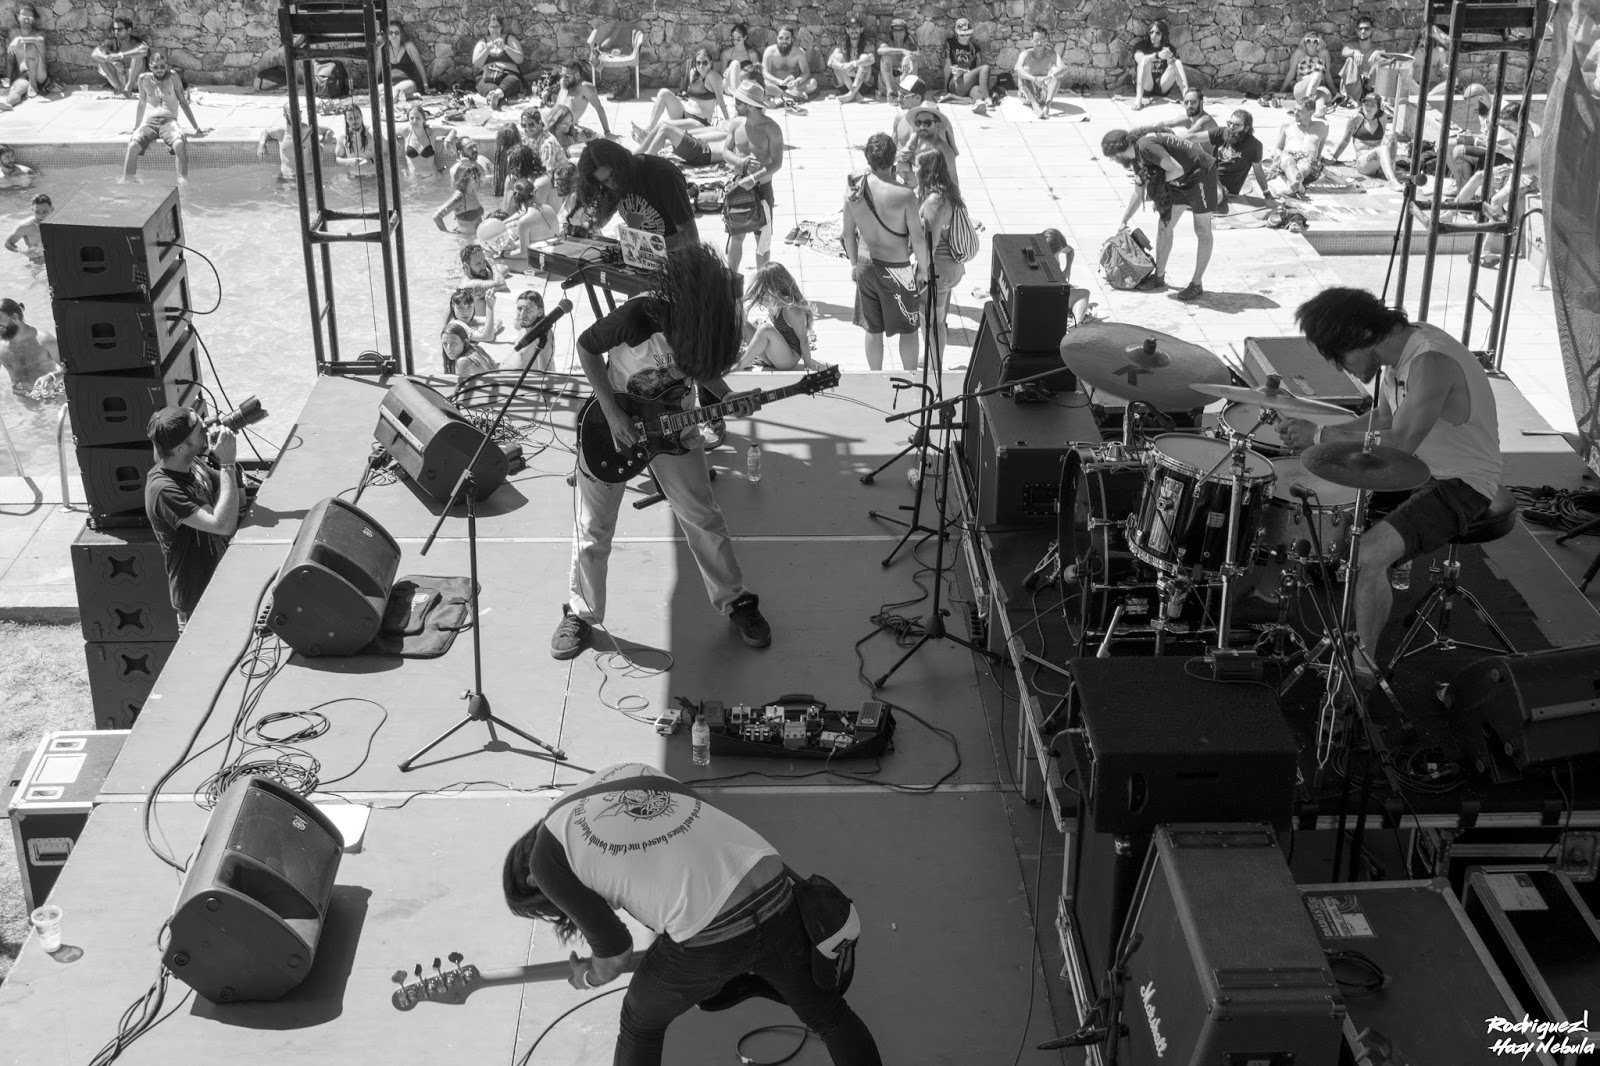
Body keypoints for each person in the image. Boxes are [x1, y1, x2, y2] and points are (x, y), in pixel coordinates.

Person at [502, 761, 882, 1064]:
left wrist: (588, 976)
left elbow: (615, 954)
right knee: (830, 1016)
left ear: (534, 883)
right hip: (773, 885)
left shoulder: (545, 863)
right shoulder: (617, 774)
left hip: (712, 932)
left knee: (640, 1023)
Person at [550, 244, 772, 658]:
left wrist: (727, 396)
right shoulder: (638, 316)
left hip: (675, 425)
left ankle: (735, 600)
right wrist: (612, 412)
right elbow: (586, 346)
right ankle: (581, 613)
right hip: (614, 425)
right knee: (593, 525)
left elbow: (704, 372)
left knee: (703, 516)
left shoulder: (706, 327)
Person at [1277, 288, 1502, 695]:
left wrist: (1321, 435)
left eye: (1339, 355)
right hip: (1422, 469)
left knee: (1366, 556)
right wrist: (1321, 435)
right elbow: (1382, 417)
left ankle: (1363, 670)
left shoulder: (1431, 361)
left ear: (1363, 335)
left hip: (1464, 483)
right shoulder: (1397, 353)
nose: (1340, 366)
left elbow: (1401, 442)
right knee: (1315, 494)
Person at [143, 405, 240, 628]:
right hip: (198, 602)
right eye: (199, 430)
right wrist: (227, 462)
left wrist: (226, 459)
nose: (206, 429)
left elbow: (234, 496)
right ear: (180, 448)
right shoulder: (163, 490)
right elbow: (223, 524)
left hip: (221, 587)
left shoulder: (191, 463)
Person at [841, 132, 927, 372]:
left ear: (868, 158)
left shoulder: (854, 188)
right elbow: (917, 238)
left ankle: (875, 379)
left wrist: (853, 264)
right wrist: (924, 270)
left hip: (865, 264)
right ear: (893, 159)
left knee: (873, 329)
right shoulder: (905, 195)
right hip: (897, 269)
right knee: (909, 328)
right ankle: (910, 378)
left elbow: (847, 233)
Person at [1105, 126, 1218, 301]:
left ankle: (1197, 283)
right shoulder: (1136, 158)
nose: (1113, 160)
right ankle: (1158, 277)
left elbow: (1177, 169)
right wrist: (1124, 221)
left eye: (1112, 157)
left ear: (1118, 153)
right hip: (1181, 180)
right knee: (1164, 226)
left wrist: (1154, 183)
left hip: (1201, 174)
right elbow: (1138, 193)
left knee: (1202, 230)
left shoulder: (1146, 147)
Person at [576, 138, 700, 251]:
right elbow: (602, 216)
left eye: (613, 176)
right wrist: (586, 226)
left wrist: (642, 246)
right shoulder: (611, 181)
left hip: (679, 259)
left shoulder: (664, 175)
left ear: (621, 163)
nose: (612, 183)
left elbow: (690, 237)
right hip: (641, 256)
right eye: (605, 181)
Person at [721, 79, 784, 274]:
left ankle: (762, 284)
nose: (734, 104)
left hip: (762, 190)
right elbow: (725, 152)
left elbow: (777, 163)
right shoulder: (736, 125)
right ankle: (732, 280)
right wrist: (742, 163)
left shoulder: (772, 129)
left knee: (762, 239)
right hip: (739, 187)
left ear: (750, 105)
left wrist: (754, 178)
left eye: (738, 101)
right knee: (736, 237)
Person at [913, 147, 965, 363]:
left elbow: (931, 244)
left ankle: (935, 362)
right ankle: (934, 359)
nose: (914, 170)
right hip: (950, 267)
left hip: (937, 270)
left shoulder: (935, 201)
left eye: (917, 166)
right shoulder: (948, 193)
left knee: (932, 320)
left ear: (927, 170)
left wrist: (921, 273)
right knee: (937, 319)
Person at [122, 51, 206, 184]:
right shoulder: (143, 79)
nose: (160, 70)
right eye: (156, 67)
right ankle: (128, 181)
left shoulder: (172, 76)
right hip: (150, 123)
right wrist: (136, 127)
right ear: (150, 66)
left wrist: (196, 127)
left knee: (179, 144)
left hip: (169, 122)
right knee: (133, 145)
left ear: (166, 65)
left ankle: (182, 181)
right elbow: (142, 103)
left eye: (162, 66)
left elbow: (183, 101)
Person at [634, 47, 729, 155]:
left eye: (704, 63)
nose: (701, 66)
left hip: (698, 121)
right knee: (664, 93)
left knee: (663, 125)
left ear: (711, 62)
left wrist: (728, 122)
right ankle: (649, 130)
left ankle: (644, 146)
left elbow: (721, 102)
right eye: (698, 63)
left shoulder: (713, 77)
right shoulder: (695, 74)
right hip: (684, 113)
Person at [741, 263, 818, 370]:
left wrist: (808, 367)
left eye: (764, 287)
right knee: (743, 324)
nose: (762, 291)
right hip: (774, 354)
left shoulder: (792, 309)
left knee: (765, 328)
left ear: (775, 286)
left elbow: (804, 341)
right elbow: (748, 297)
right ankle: (735, 356)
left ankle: (741, 364)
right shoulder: (776, 302)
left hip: (789, 359)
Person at [1193, 108, 1272, 212]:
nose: (1231, 128)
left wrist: (1266, 193)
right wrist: (1172, 139)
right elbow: (1194, 136)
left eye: (1236, 125)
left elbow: (1258, 171)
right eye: (1229, 123)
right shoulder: (1222, 132)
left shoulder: (1254, 146)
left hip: (1223, 189)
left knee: (1215, 198)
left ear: (1246, 128)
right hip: (1208, 175)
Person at [1327, 92, 1401, 187]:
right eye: (1366, 104)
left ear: (1378, 108)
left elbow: (1384, 140)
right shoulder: (1356, 120)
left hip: (1378, 161)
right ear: (1362, 105)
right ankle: (1392, 181)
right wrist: (1334, 158)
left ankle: (1390, 172)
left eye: (1373, 105)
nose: (1369, 108)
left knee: (1391, 135)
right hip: (1363, 163)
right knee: (1382, 149)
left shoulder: (1382, 118)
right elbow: (1345, 140)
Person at [1266, 97, 1329, 198]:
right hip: (1288, 155)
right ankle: (1299, 187)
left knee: (1303, 167)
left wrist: (1318, 161)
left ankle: (1293, 186)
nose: (1295, 112)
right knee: (1287, 161)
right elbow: (1278, 148)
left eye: (1299, 111)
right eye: (1295, 109)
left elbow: (1319, 151)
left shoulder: (1322, 127)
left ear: (1310, 112)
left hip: (1308, 159)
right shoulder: (1287, 125)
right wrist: (1278, 155)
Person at [257, 103, 335, 182]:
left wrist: (321, 144)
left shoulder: (307, 129)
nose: (297, 116)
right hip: (286, 177)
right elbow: (266, 132)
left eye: (299, 113)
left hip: (307, 177)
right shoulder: (281, 132)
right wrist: (262, 145)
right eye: (293, 114)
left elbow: (329, 131)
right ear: (285, 116)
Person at [0, 297, 59, 395]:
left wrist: (52, 377)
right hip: (20, 400)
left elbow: (72, 368)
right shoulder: (1, 346)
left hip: (53, 397)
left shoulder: (44, 340)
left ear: (15, 317)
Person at [895, 99, 958, 189]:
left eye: (927, 123)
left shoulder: (943, 151)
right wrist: (898, 156)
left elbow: (953, 183)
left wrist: (910, 168)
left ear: (937, 125)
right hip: (902, 185)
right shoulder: (914, 138)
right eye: (918, 123)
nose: (921, 127)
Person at [1039, 228, 1094, 324]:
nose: (1059, 253)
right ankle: (1077, 324)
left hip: (1051, 289)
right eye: (1058, 252)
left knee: (1072, 290)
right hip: (1045, 299)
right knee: (1084, 294)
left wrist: (1067, 269)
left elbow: (1070, 251)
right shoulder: (1044, 263)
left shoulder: (1049, 247)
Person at [3, 4, 53, 111]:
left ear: (33, 19)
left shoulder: (38, 34)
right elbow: (10, 59)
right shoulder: (13, 33)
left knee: (30, 46)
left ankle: (33, 86)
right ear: (18, 17)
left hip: (40, 75)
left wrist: (20, 40)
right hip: (25, 75)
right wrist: (8, 80)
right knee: (15, 90)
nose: (27, 20)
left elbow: (40, 41)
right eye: (24, 17)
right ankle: (6, 104)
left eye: (30, 18)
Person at [939, 16, 990, 116]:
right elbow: (947, 66)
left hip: (968, 82)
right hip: (956, 81)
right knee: (985, 68)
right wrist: (945, 88)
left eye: (968, 34)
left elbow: (977, 71)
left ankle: (978, 103)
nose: (965, 37)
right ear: (956, 33)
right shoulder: (951, 44)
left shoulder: (975, 48)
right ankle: (987, 98)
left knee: (976, 90)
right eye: (962, 35)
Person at [1131, 20, 1186, 109]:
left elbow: (1173, 67)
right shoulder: (1141, 46)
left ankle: (1187, 98)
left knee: (1177, 63)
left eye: (1157, 33)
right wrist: (1157, 55)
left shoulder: (1168, 48)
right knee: (1145, 60)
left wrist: (1170, 58)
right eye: (1151, 32)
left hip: (1162, 85)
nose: (1154, 35)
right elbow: (1140, 60)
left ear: (1162, 35)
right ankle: (1138, 100)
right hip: (1146, 85)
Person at [474, 13, 525, 105]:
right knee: (484, 84)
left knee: (513, 81)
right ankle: (493, 95)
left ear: (501, 27)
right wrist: (487, 50)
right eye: (492, 27)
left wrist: (505, 47)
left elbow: (520, 59)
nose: (494, 29)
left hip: (508, 74)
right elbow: (476, 64)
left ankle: (497, 94)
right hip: (487, 76)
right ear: (488, 28)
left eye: (497, 26)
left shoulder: (509, 39)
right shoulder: (483, 42)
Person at [1013, 27, 1064, 120]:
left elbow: (1064, 69)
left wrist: (1047, 78)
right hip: (1027, 96)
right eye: (1036, 40)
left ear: (1046, 40)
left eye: (1042, 40)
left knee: (1055, 73)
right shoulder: (1025, 54)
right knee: (1023, 72)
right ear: (1031, 40)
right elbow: (1017, 69)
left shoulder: (1052, 54)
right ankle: (1035, 106)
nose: (1039, 43)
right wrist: (1034, 79)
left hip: (1045, 95)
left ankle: (1047, 107)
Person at [91, 14, 148, 97]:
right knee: (101, 58)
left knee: (138, 55)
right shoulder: (112, 43)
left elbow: (144, 51)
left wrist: (120, 55)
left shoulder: (136, 43)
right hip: (119, 79)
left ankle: (129, 87)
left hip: (136, 81)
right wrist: (110, 59)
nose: (116, 32)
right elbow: (95, 53)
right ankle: (119, 87)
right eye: (114, 29)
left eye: (120, 29)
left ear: (129, 30)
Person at [1281, 31, 1335, 117]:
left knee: (1322, 95)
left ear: (1319, 43)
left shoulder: (1324, 54)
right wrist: (1281, 90)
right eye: (1308, 40)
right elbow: (1291, 72)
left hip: (1319, 87)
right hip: (1302, 87)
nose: (1311, 43)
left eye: (1315, 41)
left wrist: (1335, 92)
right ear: (1304, 42)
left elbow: (1327, 75)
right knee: (1317, 74)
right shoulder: (1299, 53)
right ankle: (1307, 104)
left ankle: (1318, 110)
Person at [761, 26, 818, 106]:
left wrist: (796, 82)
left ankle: (784, 96)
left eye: (787, 38)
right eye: (781, 38)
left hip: (793, 87)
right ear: (777, 38)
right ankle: (791, 96)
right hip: (775, 86)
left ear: (792, 39)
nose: (784, 41)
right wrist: (780, 82)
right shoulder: (769, 51)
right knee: (765, 84)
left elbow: (806, 72)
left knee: (813, 83)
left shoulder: (799, 52)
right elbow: (765, 73)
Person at [557, 58, 613, 138]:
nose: (563, 78)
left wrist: (607, 132)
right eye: (562, 75)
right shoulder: (563, 83)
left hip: (569, 131)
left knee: (599, 141)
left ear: (577, 75)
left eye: (567, 76)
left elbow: (599, 109)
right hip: (556, 127)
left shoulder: (585, 88)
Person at [587, 15, 638, 98]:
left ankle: (624, 90)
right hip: (606, 51)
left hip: (624, 51)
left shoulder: (629, 31)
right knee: (600, 51)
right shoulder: (602, 33)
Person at [829, 14, 876, 103]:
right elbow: (830, 62)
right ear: (847, 30)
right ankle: (855, 93)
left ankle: (851, 95)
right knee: (838, 57)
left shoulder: (868, 45)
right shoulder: (842, 45)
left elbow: (872, 59)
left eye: (856, 27)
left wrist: (853, 64)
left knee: (864, 58)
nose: (854, 30)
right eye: (851, 28)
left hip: (862, 85)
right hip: (845, 84)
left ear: (861, 29)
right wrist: (843, 66)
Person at [1337, 15, 1382, 106]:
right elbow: (1344, 52)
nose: (1363, 31)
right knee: (1350, 60)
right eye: (1360, 29)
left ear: (1372, 30)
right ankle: (1352, 99)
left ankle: (1371, 96)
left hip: (1370, 86)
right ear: (1356, 31)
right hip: (1354, 87)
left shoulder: (1378, 48)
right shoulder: (1351, 45)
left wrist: (1377, 53)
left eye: (1366, 29)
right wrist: (1354, 52)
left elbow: (1384, 53)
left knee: (1380, 60)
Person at [506, 290, 555, 372]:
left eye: (528, 310)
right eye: (519, 309)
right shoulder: (526, 325)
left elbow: (548, 368)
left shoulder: (543, 334)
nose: (522, 314)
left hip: (518, 379)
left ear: (540, 312)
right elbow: (517, 325)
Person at [382, 19, 429, 101]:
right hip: (390, 82)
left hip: (407, 82)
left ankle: (390, 107)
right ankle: (410, 96)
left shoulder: (409, 46)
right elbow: (378, 68)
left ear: (401, 34)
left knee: (394, 92)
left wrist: (426, 85)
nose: (393, 35)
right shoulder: (384, 49)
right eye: (390, 33)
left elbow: (420, 66)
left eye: (396, 33)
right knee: (379, 94)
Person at [877, 18, 919, 100]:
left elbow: (917, 54)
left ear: (905, 33)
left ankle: (905, 92)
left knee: (914, 61)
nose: (898, 33)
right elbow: (880, 51)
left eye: (901, 30)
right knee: (886, 57)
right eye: (895, 31)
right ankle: (890, 93)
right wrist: (902, 51)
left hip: (903, 80)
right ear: (892, 33)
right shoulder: (887, 44)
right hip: (887, 83)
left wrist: (907, 58)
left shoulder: (910, 45)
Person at [403, 103, 445, 176]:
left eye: (418, 118)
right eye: (411, 118)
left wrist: (448, 140)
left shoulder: (431, 132)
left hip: (431, 177)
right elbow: (388, 133)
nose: (414, 121)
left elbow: (453, 130)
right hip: (413, 178)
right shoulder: (406, 132)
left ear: (424, 119)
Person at [5, 192, 49, 260]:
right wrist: (22, 252)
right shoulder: (26, 227)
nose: (41, 215)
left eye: (45, 212)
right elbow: (8, 243)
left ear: (52, 209)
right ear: (32, 210)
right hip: (36, 262)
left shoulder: (60, 225)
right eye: (37, 212)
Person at [721, 22, 761, 92]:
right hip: (729, 87)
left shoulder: (752, 54)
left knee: (736, 65)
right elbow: (722, 75)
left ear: (745, 37)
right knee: (735, 63)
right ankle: (737, 94)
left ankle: (738, 94)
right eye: (733, 39)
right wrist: (727, 72)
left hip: (745, 86)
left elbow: (756, 75)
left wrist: (738, 72)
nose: (735, 41)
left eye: (738, 39)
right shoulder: (726, 54)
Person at [335, 102, 375, 173]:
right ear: (346, 120)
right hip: (353, 177)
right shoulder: (343, 138)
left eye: (357, 117)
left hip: (373, 176)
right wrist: (349, 161)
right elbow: (337, 160)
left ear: (362, 117)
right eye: (350, 118)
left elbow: (387, 154)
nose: (354, 121)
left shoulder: (373, 134)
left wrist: (370, 161)